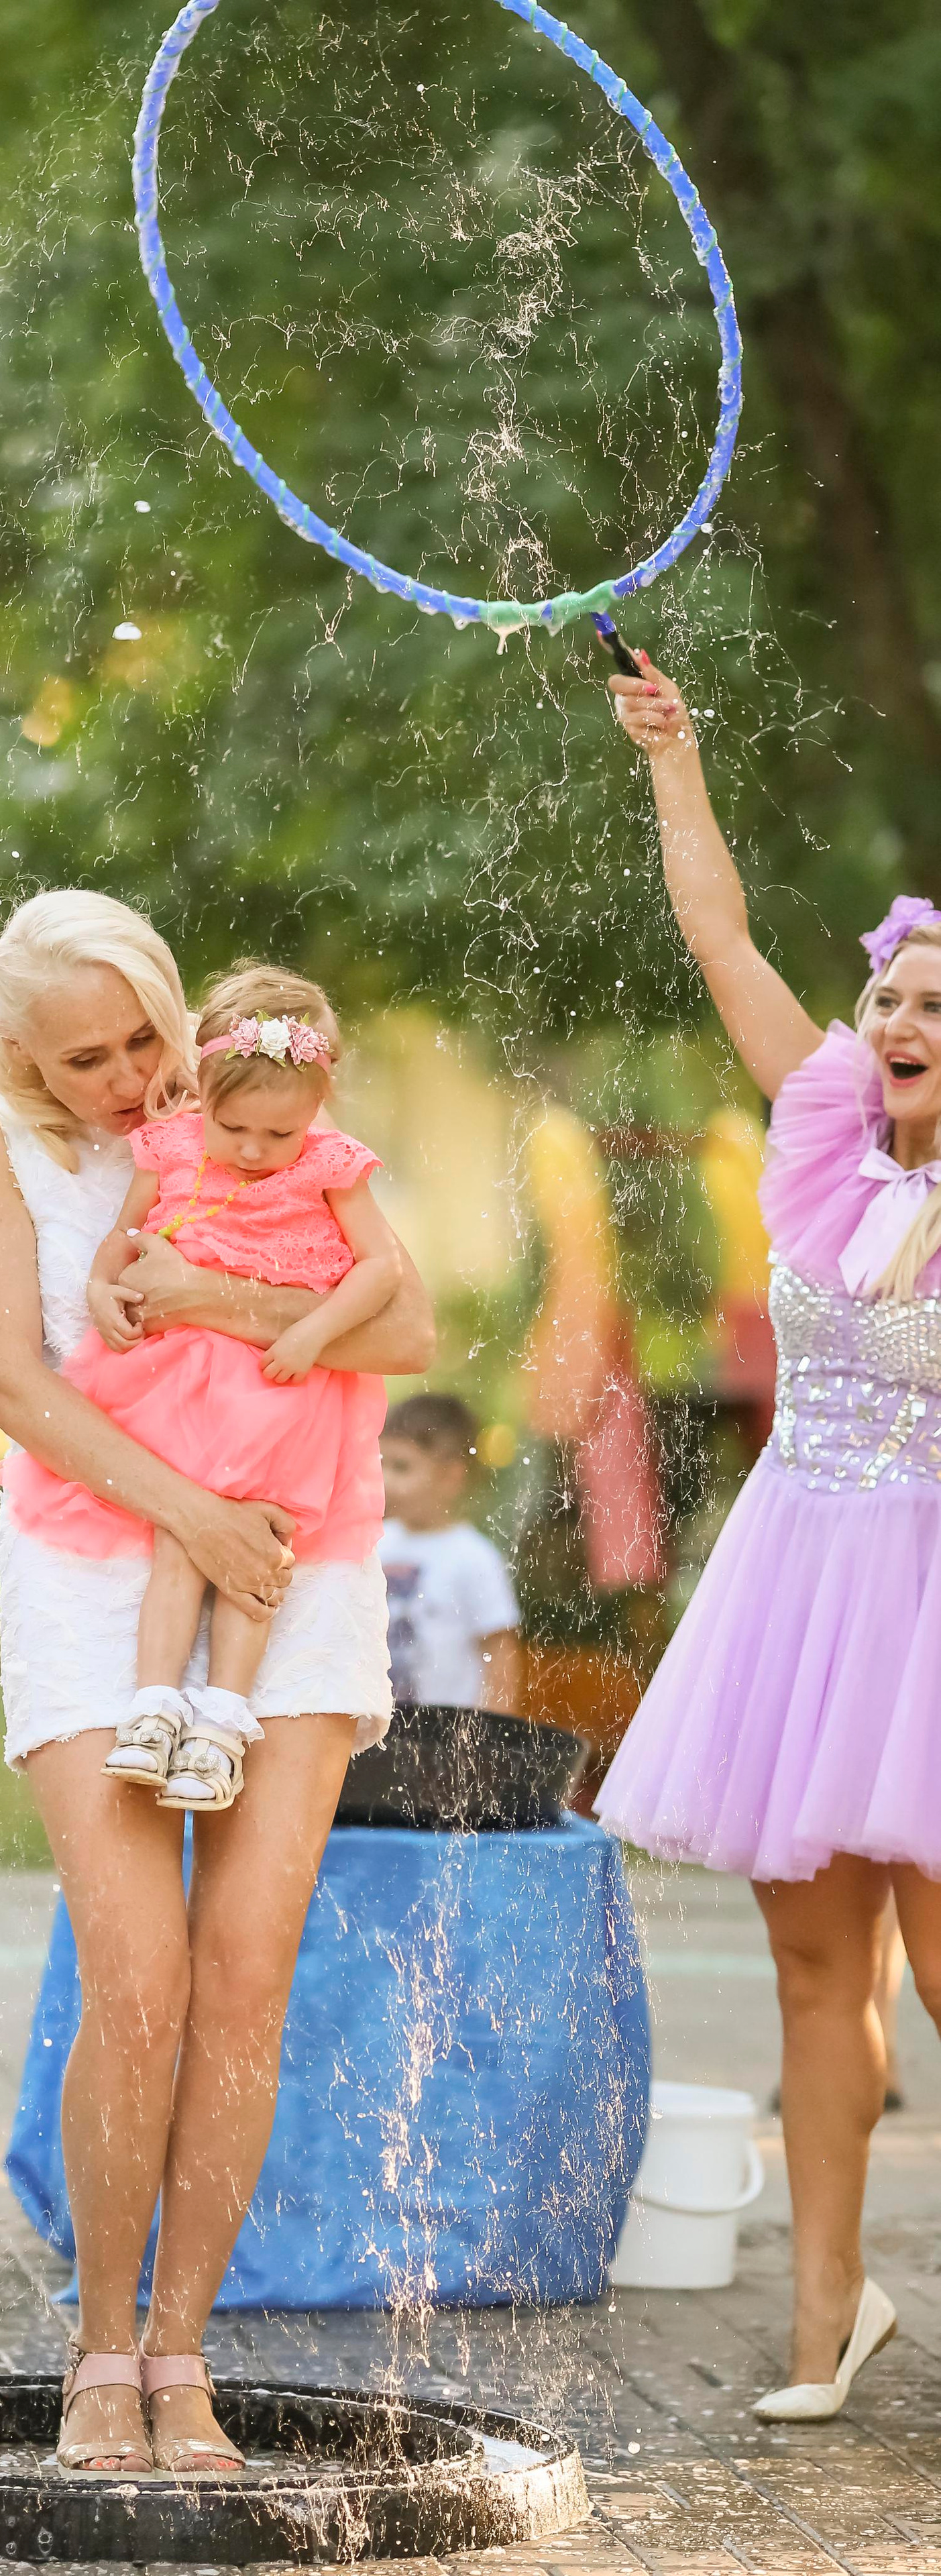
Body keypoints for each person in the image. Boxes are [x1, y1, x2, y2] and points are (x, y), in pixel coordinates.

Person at [0, 891, 435, 2476]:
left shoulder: (258, 1112)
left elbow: (404, 1321)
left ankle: (180, 2355)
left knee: (241, 1972)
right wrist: (190, 1514)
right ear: (19, 1052)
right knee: (135, 1970)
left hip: (297, 1557)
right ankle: (98, 2349)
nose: (126, 1074)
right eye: (82, 1056)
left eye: (142, 1033)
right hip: (105, 1569)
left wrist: (218, 1304)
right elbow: (8, 1376)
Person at [596, 659, 941, 2422]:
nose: (906, 1020)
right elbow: (723, 937)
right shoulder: (818, 1134)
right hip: (804, 1588)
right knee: (819, 1977)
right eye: (897, 992)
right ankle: (826, 2322)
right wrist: (681, 760)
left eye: (939, 1005)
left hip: (936, 1602)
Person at [1, 963, 402, 1813]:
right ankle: (153, 1707)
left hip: (278, 1391)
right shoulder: (176, 1146)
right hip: (179, 1388)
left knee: (259, 1543)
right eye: (235, 1128)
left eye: (277, 1136)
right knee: (183, 1542)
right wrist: (104, 1290)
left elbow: (382, 1274)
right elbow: (123, 1235)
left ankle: (221, 1720)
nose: (254, 1153)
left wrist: (312, 1332)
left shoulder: (328, 1164)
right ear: (204, 1092)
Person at [378, 1395, 521, 1713]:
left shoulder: (473, 1557)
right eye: (381, 1464)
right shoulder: (376, 1542)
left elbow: (500, 1656)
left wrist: (492, 1739)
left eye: (402, 1467)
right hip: (380, 1733)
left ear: (450, 1477)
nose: (385, 1480)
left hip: (445, 1743)